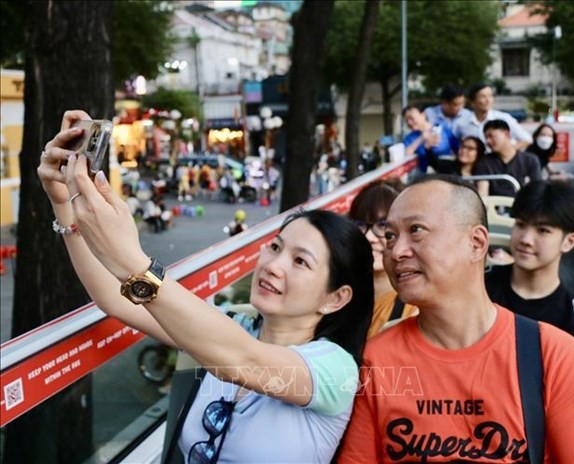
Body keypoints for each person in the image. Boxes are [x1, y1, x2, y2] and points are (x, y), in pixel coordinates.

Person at [39, 110, 375, 464]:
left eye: (300, 261)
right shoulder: (233, 327)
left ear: (336, 298)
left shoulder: (335, 369)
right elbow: (113, 298)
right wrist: (63, 202)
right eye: (275, 247)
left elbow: (245, 361)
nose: (273, 266)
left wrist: (134, 262)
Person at [338, 174, 574, 463]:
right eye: (390, 236)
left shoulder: (554, 356)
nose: (396, 251)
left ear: (476, 242)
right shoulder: (376, 360)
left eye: (417, 230)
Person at [485, 180, 574, 368]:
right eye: (521, 224)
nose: (526, 239)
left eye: (543, 230)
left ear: (569, 242)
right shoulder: (477, 287)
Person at [348, 179, 419, 338]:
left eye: (382, 226)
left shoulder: (416, 308)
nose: (369, 237)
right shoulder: (336, 295)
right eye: (360, 225)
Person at [454, 82, 532, 151]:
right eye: (483, 96)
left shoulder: (504, 118)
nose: (488, 100)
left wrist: (506, 152)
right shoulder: (462, 123)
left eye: (490, 96)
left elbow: (527, 139)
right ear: (472, 102)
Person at [474, 119, 542, 197]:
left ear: (506, 134)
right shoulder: (484, 162)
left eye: (491, 136)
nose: (488, 141)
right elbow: (483, 193)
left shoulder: (530, 160)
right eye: (486, 138)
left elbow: (537, 190)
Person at [402, 104, 458, 175]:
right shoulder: (409, 138)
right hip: (425, 174)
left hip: (447, 170)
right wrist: (421, 139)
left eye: (411, 118)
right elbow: (405, 154)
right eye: (406, 120)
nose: (409, 122)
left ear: (423, 115)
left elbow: (456, 146)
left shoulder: (441, 127)